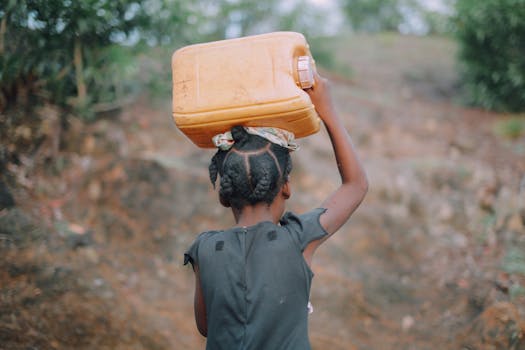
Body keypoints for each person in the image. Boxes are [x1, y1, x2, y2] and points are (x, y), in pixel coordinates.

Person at [184, 72, 368, 350]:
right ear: (286, 188)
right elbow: (355, 186)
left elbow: (206, 326)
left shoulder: (204, 249)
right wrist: (326, 109)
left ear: (224, 196)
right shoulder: (297, 239)